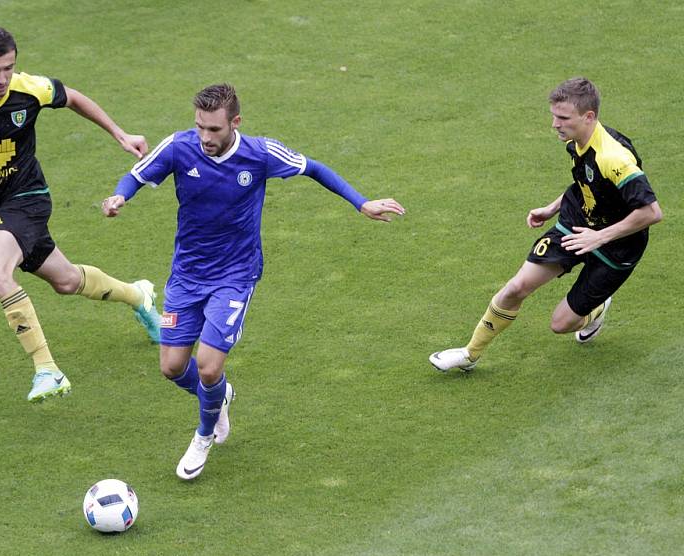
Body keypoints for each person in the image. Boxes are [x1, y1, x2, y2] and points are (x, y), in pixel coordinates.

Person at [102, 83, 405, 480]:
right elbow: (137, 175)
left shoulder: (260, 153)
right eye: (199, 128)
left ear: (235, 123)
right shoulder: (179, 146)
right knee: (173, 367)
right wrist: (119, 197)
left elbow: (313, 168)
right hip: (187, 273)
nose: (205, 137)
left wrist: (360, 202)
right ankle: (218, 398)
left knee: (208, 368)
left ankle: (203, 434)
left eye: (213, 129)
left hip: (235, 273)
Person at [0, 27, 162, 402]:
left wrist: (119, 134)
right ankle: (138, 296)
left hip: (27, 198)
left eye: (9, 68)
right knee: (65, 281)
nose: (2, 79)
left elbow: (73, 97)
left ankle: (47, 369)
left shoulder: (29, 87)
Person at [430, 77, 662, 373]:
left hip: (618, 245)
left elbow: (651, 212)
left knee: (560, 324)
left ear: (588, 117)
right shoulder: (577, 140)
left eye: (563, 118)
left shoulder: (614, 158)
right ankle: (469, 353)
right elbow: (587, 181)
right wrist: (552, 208)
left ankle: (598, 307)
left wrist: (599, 238)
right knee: (516, 287)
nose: (555, 124)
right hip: (579, 222)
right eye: (554, 116)